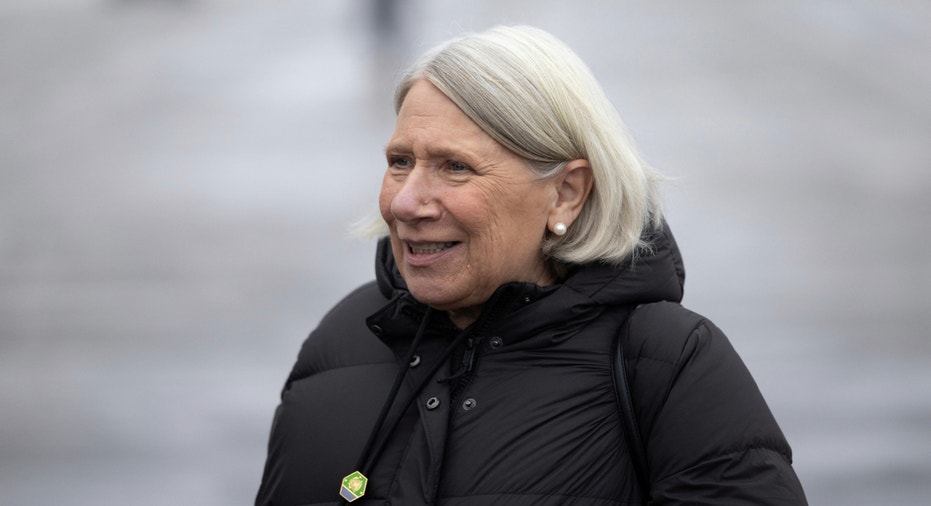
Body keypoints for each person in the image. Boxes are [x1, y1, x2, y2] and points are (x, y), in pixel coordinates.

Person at [255, 25, 808, 505]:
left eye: (455, 166)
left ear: (566, 193)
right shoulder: (340, 344)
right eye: (401, 162)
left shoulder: (667, 364)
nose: (405, 203)